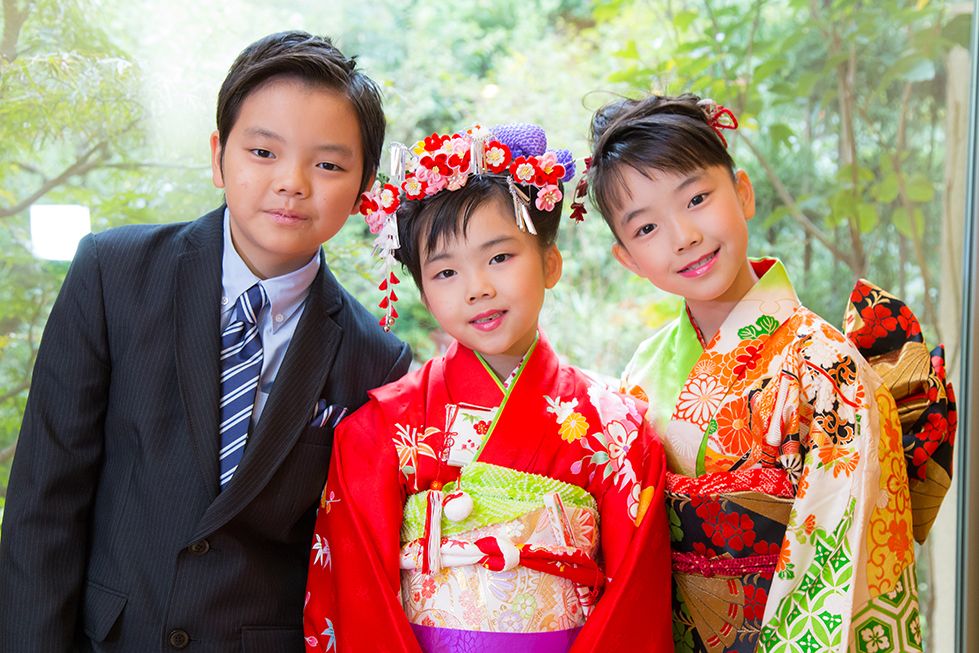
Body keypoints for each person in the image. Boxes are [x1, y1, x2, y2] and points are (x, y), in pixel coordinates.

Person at [0, 31, 410, 652]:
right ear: (219, 157)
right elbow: (43, 503)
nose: (293, 182)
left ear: (363, 189)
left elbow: (342, 562)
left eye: (328, 164)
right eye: (263, 151)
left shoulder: (377, 360)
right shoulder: (113, 274)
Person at [583, 94, 954, 652]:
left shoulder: (822, 363)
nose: (683, 235)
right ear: (628, 259)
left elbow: (842, 558)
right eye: (646, 228)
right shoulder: (643, 369)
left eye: (698, 198)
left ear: (743, 193)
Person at [303, 123, 673, 652]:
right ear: (425, 294)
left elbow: (637, 599)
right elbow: (358, 597)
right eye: (446, 271)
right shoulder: (379, 431)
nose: (477, 288)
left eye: (499, 257)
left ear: (550, 263)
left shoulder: (618, 431)